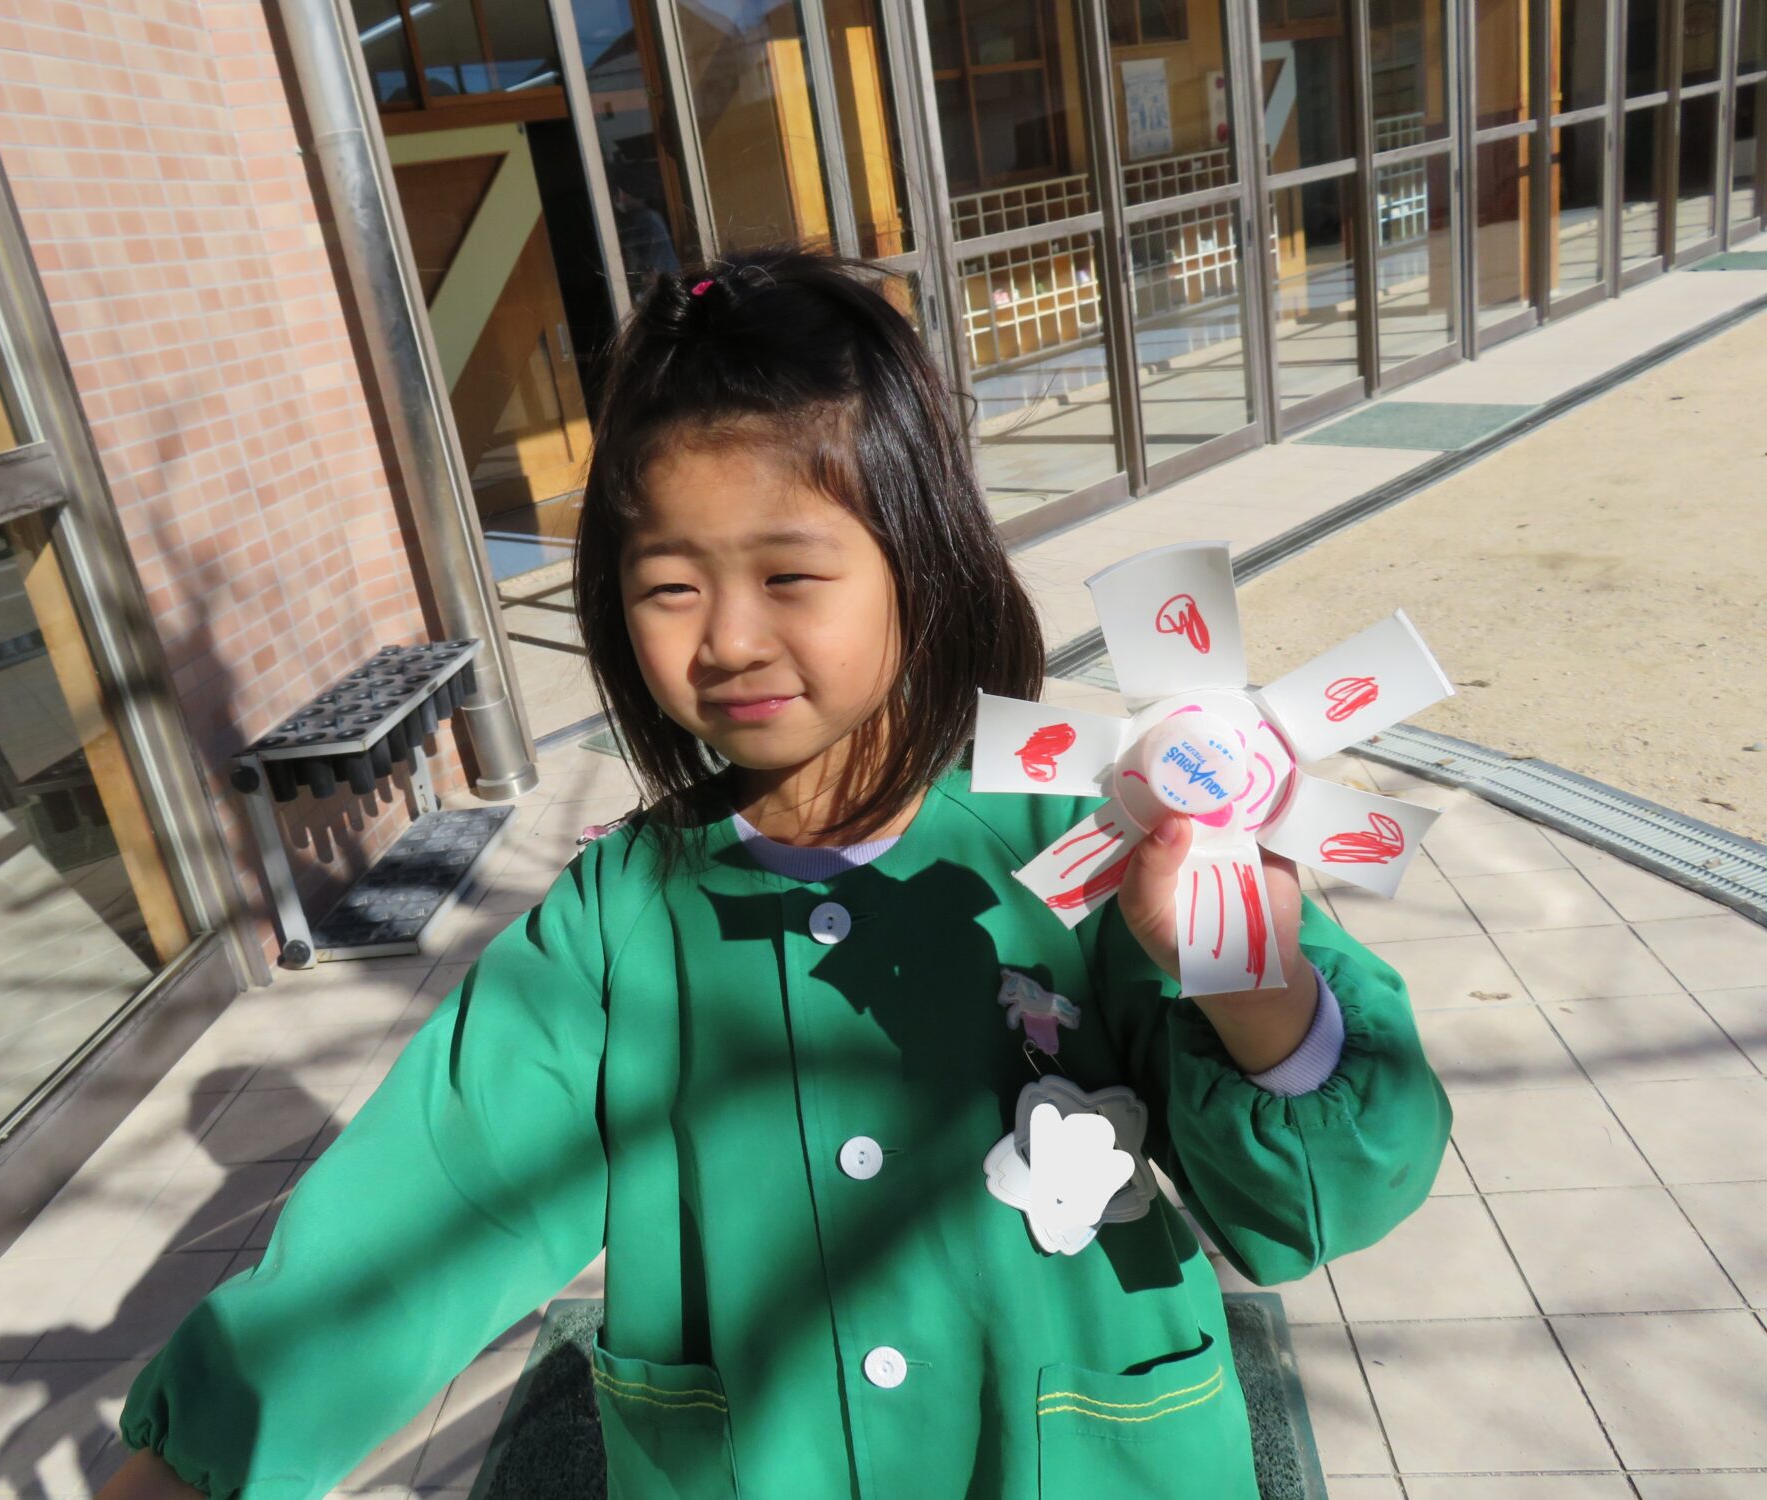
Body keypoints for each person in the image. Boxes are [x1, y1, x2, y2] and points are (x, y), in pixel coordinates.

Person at [100, 249, 1450, 1500]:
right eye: (669, 586)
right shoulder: (617, 927)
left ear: (920, 563)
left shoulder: (1088, 833)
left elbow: (1328, 1194)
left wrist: (1247, 978)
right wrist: (193, 1461)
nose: (730, 638)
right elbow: (421, 1221)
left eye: (791, 573)